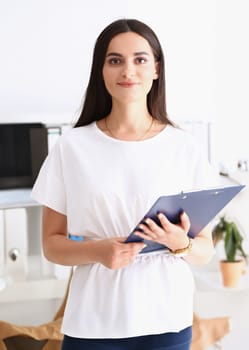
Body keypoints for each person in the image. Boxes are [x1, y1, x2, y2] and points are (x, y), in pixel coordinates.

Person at [31, 18, 218, 350]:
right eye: (115, 60)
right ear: (101, 71)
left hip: (167, 324)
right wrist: (98, 251)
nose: (127, 71)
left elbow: (205, 250)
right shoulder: (72, 148)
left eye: (140, 59)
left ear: (156, 69)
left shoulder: (184, 148)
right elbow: (51, 244)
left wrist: (180, 243)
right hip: (92, 325)